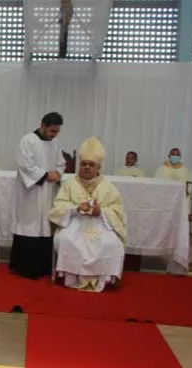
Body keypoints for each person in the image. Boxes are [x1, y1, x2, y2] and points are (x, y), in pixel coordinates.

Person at [48, 137, 126, 292]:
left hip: (101, 225)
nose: (87, 167)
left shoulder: (108, 187)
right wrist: (76, 208)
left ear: (98, 168)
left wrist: (101, 212)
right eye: (84, 164)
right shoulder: (69, 184)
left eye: (91, 165)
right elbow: (58, 207)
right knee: (67, 240)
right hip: (74, 224)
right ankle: (71, 278)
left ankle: (103, 279)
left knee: (111, 244)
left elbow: (118, 210)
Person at [9, 112, 66, 278]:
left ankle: (43, 267)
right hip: (31, 193)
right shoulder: (28, 141)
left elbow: (61, 163)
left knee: (45, 227)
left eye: (57, 131)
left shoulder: (55, 144)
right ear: (43, 125)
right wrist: (46, 175)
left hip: (48, 193)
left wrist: (58, 173)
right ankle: (24, 268)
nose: (54, 134)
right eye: (52, 131)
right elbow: (24, 165)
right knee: (29, 226)